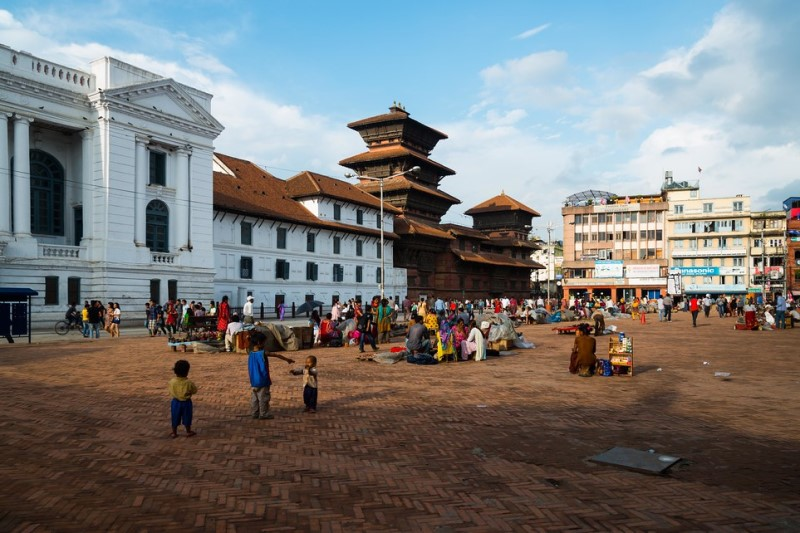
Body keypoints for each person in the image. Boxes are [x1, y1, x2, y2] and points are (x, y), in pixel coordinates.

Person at [248, 331, 294, 420]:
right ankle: (264, 414)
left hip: (253, 380)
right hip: (263, 380)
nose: (265, 344)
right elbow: (276, 355)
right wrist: (287, 359)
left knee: (255, 398)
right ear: (259, 343)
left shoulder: (250, 353)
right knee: (263, 398)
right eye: (264, 342)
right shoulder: (263, 353)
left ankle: (255, 413)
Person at [168, 359, 198, 438]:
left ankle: (174, 432)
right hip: (186, 402)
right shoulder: (188, 382)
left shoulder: (172, 381)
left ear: (175, 371)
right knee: (187, 416)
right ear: (187, 372)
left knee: (175, 416)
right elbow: (194, 390)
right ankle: (188, 431)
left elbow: (170, 390)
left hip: (175, 402)